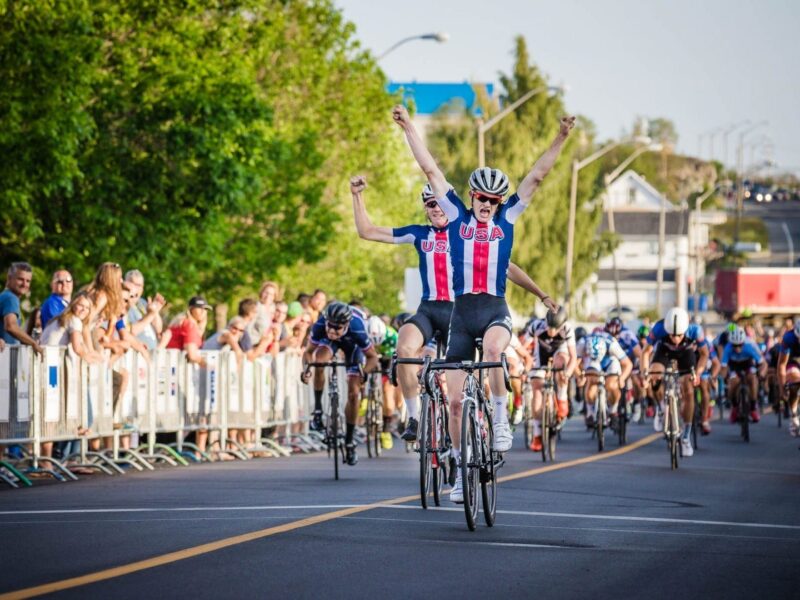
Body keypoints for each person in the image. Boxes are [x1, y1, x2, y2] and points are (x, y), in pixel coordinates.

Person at [392, 103, 574, 503]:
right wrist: (408, 127)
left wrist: (560, 137)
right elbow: (431, 170)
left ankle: (500, 415)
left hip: (494, 309)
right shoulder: (456, 215)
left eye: (495, 199)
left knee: (494, 351)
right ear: (472, 197)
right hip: (462, 313)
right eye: (483, 198)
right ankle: (459, 471)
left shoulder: (508, 219)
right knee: (454, 403)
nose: (488, 205)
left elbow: (538, 176)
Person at [350, 174, 557, 450]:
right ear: (425, 208)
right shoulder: (419, 234)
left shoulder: (464, 228)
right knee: (403, 348)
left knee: (469, 376)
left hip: (459, 310)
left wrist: (541, 293)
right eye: (430, 204)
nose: (436, 208)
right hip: (428, 308)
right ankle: (414, 418)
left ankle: (481, 419)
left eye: (439, 203)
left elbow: (505, 266)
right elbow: (368, 232)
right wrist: (356, 196)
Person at [300, 301, 379, 467]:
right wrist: (307, 369)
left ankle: (349, 441)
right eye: (330, 326)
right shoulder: (320, 325)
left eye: (337, 328)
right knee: (319, 361)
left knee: (353, 392)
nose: (331, 331)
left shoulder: (357, 327)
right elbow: (308, 352)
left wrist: (363, 373)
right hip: (330, 346)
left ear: (346, 324)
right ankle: (318, 410)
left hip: (353, 347)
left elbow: (373, 358)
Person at [641, 307, 708, 458]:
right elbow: (645, 352)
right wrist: (645, 374)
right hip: (664, 352)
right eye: (672, 335)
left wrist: (698, 373)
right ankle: (660, 409)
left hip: (686, 354)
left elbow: (704, 354)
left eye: (679, 335)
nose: (676, 339)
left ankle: (686, 437)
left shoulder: (695, 330)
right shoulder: (658, 328)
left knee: (689, 390)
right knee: (654, 374)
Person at [523, 307, 578, 452]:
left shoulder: (568, 329)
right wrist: (524, 364)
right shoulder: (536, 326)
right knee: (537, 394)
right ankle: (537, 434)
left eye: (556, 328)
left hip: (560, 353)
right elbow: (523, 347)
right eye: (549, 326)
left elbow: (573, 357)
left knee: (562, 364)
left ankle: (562, 398)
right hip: (540, 356)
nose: (552, 331)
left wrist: (568, 373)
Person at [163, 296, 211, 456]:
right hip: (180, 375)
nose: (204, 313)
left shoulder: (181, 322)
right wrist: (209, 364)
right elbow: (192, 354)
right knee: (194, 414)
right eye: (201, 309)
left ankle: (176, 449)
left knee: (185, 415)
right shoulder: (189, 324)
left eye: (206, 309)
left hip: (171, 372)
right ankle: (196, 452)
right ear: (191, 309)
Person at [720, 326, 766, 424]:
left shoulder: (750, 346)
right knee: (733, 383)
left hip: (748, 364)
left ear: (743, 343)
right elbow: (723, 367)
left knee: (753, 380)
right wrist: (724, 378)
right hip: (734, 366)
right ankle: (735, 407)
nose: (737, 348)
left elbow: (763, 363)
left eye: (740, 345)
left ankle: (753, 408)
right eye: (735, 346)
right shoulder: (728, 348)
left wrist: (761, 373)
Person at [0, 262, 42, 354]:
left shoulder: (5, 296)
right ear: (9, 278)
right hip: (4, 361)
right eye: (20, 279)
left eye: (28, 281)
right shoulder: (10, 298)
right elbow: (10, 326)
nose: (24, 284)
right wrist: (33, 343)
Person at [777, 318, 800, 436]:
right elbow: (781, 365)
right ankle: (794, 414)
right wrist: (782, 388)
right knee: (794, 377)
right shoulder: (789, 338)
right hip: (793, 361)